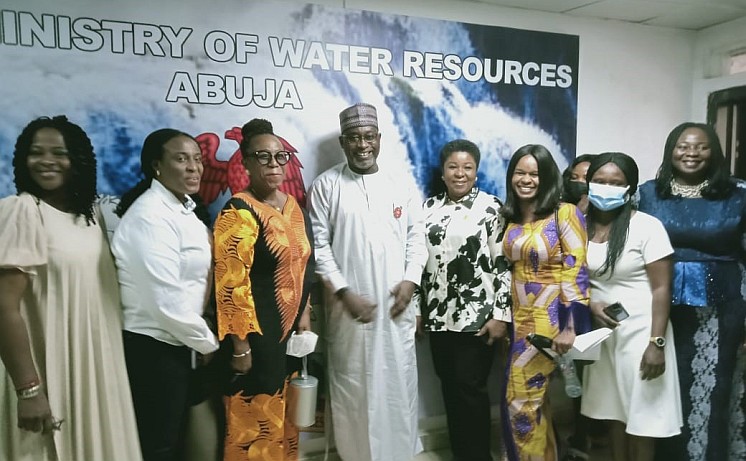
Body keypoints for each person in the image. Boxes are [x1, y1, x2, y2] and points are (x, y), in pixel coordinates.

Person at [0, 116, 141, 460]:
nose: (46, 160)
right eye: (36, 152)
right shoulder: (22, 211)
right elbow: (4, 308)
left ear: (77, 160)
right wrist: (29, 390)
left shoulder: (89, 215)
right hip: (46, 370)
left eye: (59, 153)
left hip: (95, 367)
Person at [308, 102, 428, 461]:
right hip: (349, 312)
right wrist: (344, 293)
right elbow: (320, 248)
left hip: (396, 307)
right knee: (353, 386)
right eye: (355, 138)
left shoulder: (401, 183)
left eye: (369, 137)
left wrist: (410, 282)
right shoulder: (326, 186)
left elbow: (416, 240)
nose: (363, 145)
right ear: (344, 142)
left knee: (397, 385)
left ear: (379, 139)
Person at [638, 122, 746, 461]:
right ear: (671, 150)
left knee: (712, 388)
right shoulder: (648, 193)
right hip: (658, 305)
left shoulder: (738, 193)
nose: (691, 153)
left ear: (714, 152)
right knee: (661, 387)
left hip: (720, 306)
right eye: (683, 146)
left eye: (701, 147)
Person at [111, 128, 219, 461]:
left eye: (197, 159)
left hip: (182, 342)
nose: (193, 168)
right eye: (181, 158)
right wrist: (207, 342)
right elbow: (165, 301)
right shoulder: (149, 217)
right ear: (156, 166)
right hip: (153, 348)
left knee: (180, 440)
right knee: (159, 444)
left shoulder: (183, 209)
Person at [212, 118, 314, 461]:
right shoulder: (237, 211)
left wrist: (305, 318)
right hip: (256, 337)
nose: (273, 164)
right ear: (247, 162)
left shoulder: (291, 206)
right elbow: (230, 286)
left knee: (286, 417)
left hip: (288, 333)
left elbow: (302, 265)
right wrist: (240, 347)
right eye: (263, 157)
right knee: (256, 419)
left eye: (280, 156)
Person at [580, 152, 682, 461]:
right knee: (614, 415)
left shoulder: (648, 227)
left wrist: (657, 342)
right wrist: (589, 305)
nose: (606, 187)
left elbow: (662, 288)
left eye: (616, 183)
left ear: (629, 188)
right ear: (588, 184)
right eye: (599, 181)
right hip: (603, 333)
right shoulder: (578, 226)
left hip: (642, 332)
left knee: (643, 421)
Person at [418, 139, 511, 461]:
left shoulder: (491, 207)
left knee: (470, 391)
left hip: (477, 317)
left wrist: (501, 314)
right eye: (453, 167)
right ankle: (462, 454)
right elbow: (418, 262)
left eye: (467, 167)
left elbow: (503, 265)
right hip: (438, 316)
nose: (460, 173)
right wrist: (419, 308)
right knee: (449, 387)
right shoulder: (427, 208)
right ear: (442, 172)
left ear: (476, 171)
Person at [500, 144, 591, 461]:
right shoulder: (511, 215)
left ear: (548, 176)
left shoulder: (565, 212)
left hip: (548, 321)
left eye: (534, 173)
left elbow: (576, 268)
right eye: (520, 173)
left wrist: (570, 326)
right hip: (516, 319)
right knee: (535, 403)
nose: (526, 179)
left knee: (520, 402)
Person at [559, 153, 599, 461]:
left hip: (603, 304)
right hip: (572, 305)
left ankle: (594, 436)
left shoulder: (614, 214)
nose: (580, 183)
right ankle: (580, 435)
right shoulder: (562, 211)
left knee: (596, 376)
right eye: (575, 177)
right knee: (575, 375)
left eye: (587, 177)